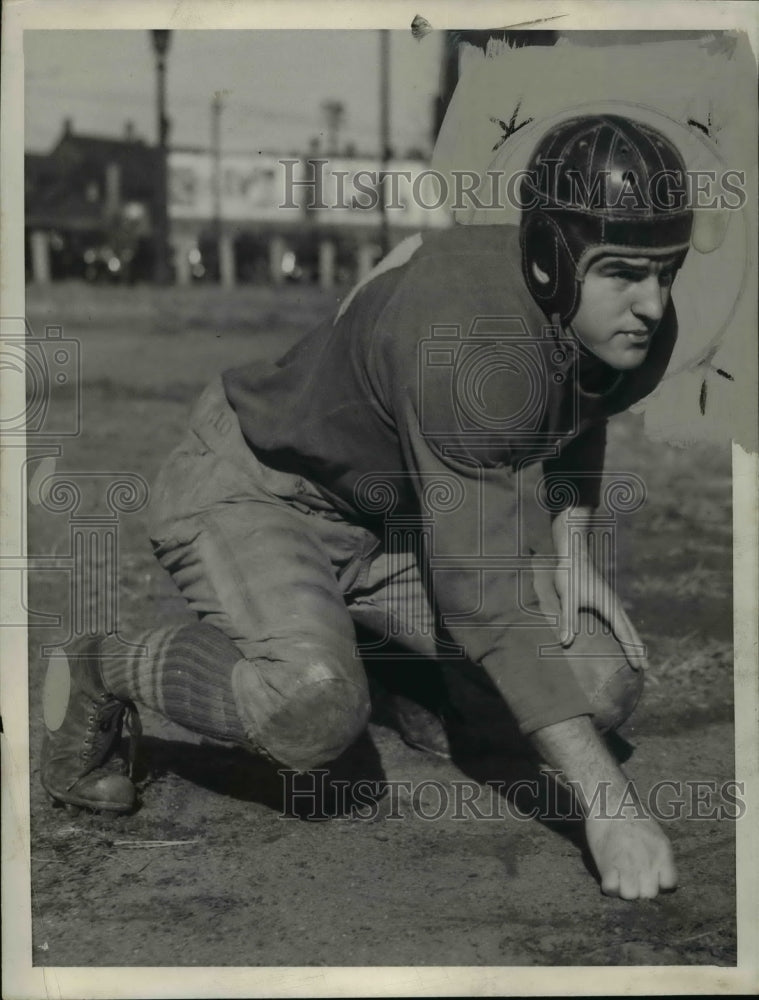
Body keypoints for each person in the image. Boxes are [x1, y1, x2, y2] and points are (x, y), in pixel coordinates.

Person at [41, 114, 693, 900]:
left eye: (666, 270)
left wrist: (572, 546)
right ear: (553, 261)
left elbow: (585, 406)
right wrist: (609, 806)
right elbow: (483, 605)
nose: (653, 304)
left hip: (389, 517)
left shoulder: (630, 325)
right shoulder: (468, 340)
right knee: (311, 707)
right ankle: (99, 666)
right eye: (624, 271)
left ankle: (399, 676)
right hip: (257, 486)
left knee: (599, 682)